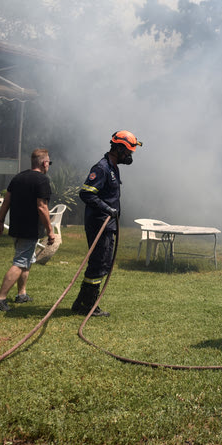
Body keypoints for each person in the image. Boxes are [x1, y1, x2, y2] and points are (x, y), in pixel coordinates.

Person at [71, 130, 141, 317]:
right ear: (118, 148)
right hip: (99, 223)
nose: (129, 156)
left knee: (100, 263)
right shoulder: (101, 168)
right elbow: (86, 193)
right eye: (128, 152)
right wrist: (107, 209)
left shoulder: (113, 167)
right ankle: (89, 306)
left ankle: (81, 303)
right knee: (100, 263)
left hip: (107, 224)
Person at [0, 148, 56, 312]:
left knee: (26, 260)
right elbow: (42, 207)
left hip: (17, 227)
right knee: (20, 263)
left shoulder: (18, 177)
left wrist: (0, 222)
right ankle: (0, 299)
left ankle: (21, 294)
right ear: (44, 163)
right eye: (49, 163)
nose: (49, 166)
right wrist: (50, 231)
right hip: (29, 229)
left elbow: (6, 201)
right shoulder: (42, 181)